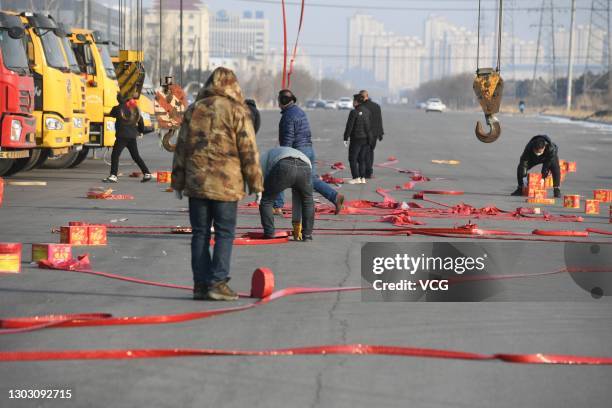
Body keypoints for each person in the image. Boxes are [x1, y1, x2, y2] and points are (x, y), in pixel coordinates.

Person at [171, 67, 263, 301]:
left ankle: (200, 285)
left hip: (197, 182)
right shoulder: (237, 111)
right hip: (226, 184)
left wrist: (178, 181)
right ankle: (217, 282)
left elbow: (181, 147)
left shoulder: (195, 109)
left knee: (200, 233)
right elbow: (248, 149)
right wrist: (256, 183)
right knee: (224, 233)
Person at [276, 89, 344, 214]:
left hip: (298, 151)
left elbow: (289, 136)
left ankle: (277, 206)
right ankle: (335, 197)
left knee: (280, 174)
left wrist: (283, 153)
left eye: (279, 100)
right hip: (308, 149)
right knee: (310, 180)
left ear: (282, 101)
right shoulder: (299, 112)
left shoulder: (288, 116)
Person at [259, 146, 314, 241]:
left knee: (266, 201)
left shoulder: (263, 158)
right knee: (307, 201)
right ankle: (307, 235)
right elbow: (297, 199)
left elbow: (260, 178)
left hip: (284, 165)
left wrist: (259, 193)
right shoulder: (275, 152)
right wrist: (296, 225)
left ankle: (269, 233)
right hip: (305, 167)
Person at [103, 94, 153, 183]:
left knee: (115, 155)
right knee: (136, 156)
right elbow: (140, 121)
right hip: (132, 136)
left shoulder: (117, 108)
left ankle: (113, 176)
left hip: (122, 136)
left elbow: (111, 114)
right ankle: (147, 173)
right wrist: (140, 131)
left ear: (118, 99)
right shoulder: (134, 109)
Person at [344, 93, 374, 184]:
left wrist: (345, 138)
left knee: (352, 158)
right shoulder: (367, 111)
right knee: (362, 159)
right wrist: (370, 139)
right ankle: (362, 177)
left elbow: (349, 126)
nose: (353, 102)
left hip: (356, 139)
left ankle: (356, 177)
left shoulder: (354, 112)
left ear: (356, 102)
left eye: (353, 101)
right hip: (366, 139)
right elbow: (370, 126)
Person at [359, 90, 384, 179]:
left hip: (364, 134)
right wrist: (380, 133)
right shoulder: (376, 106)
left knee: (364, 153)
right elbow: (379, 121)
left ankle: (367, 172)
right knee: (370, 152)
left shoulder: (361, 107)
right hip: (374, 134)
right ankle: (368, 172)